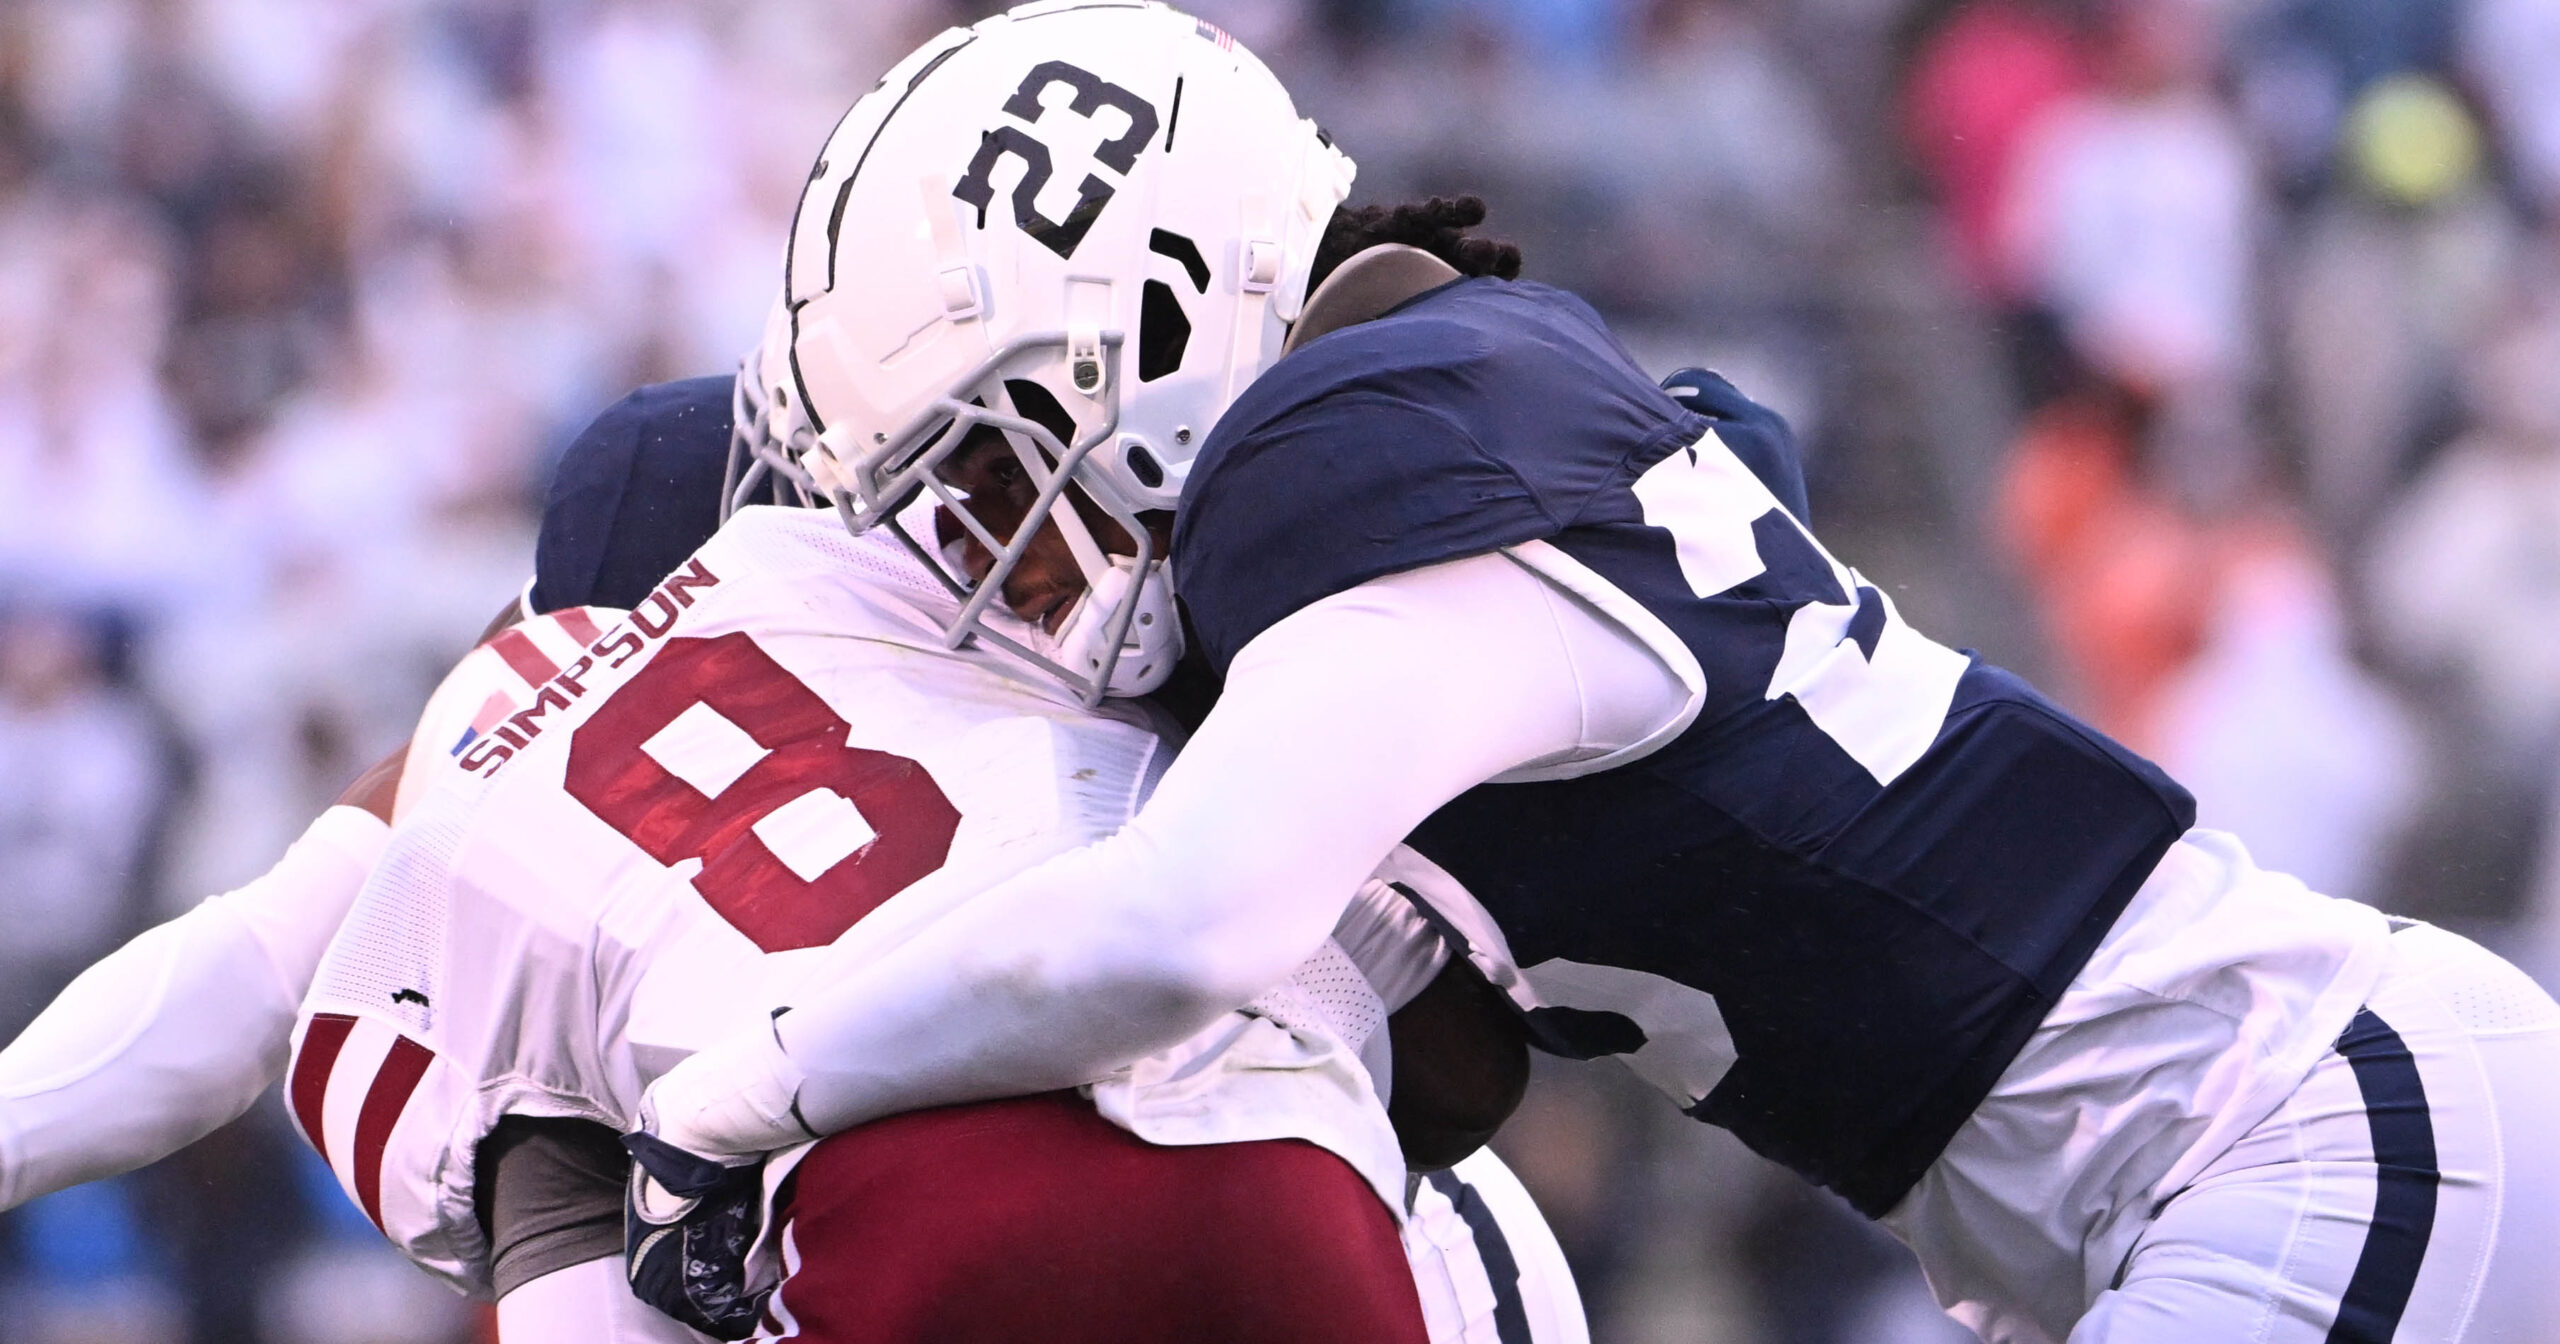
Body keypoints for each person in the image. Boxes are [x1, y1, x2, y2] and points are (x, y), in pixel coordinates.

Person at [626, 5, 2560, 1342]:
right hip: (2256, 1157)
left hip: (2278, 1138)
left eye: (1001, 456)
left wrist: (737, 1096)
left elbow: (1171, 929)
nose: (1010, 542)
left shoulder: (1374, 467)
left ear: (1158, 313)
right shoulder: (1475, 468)